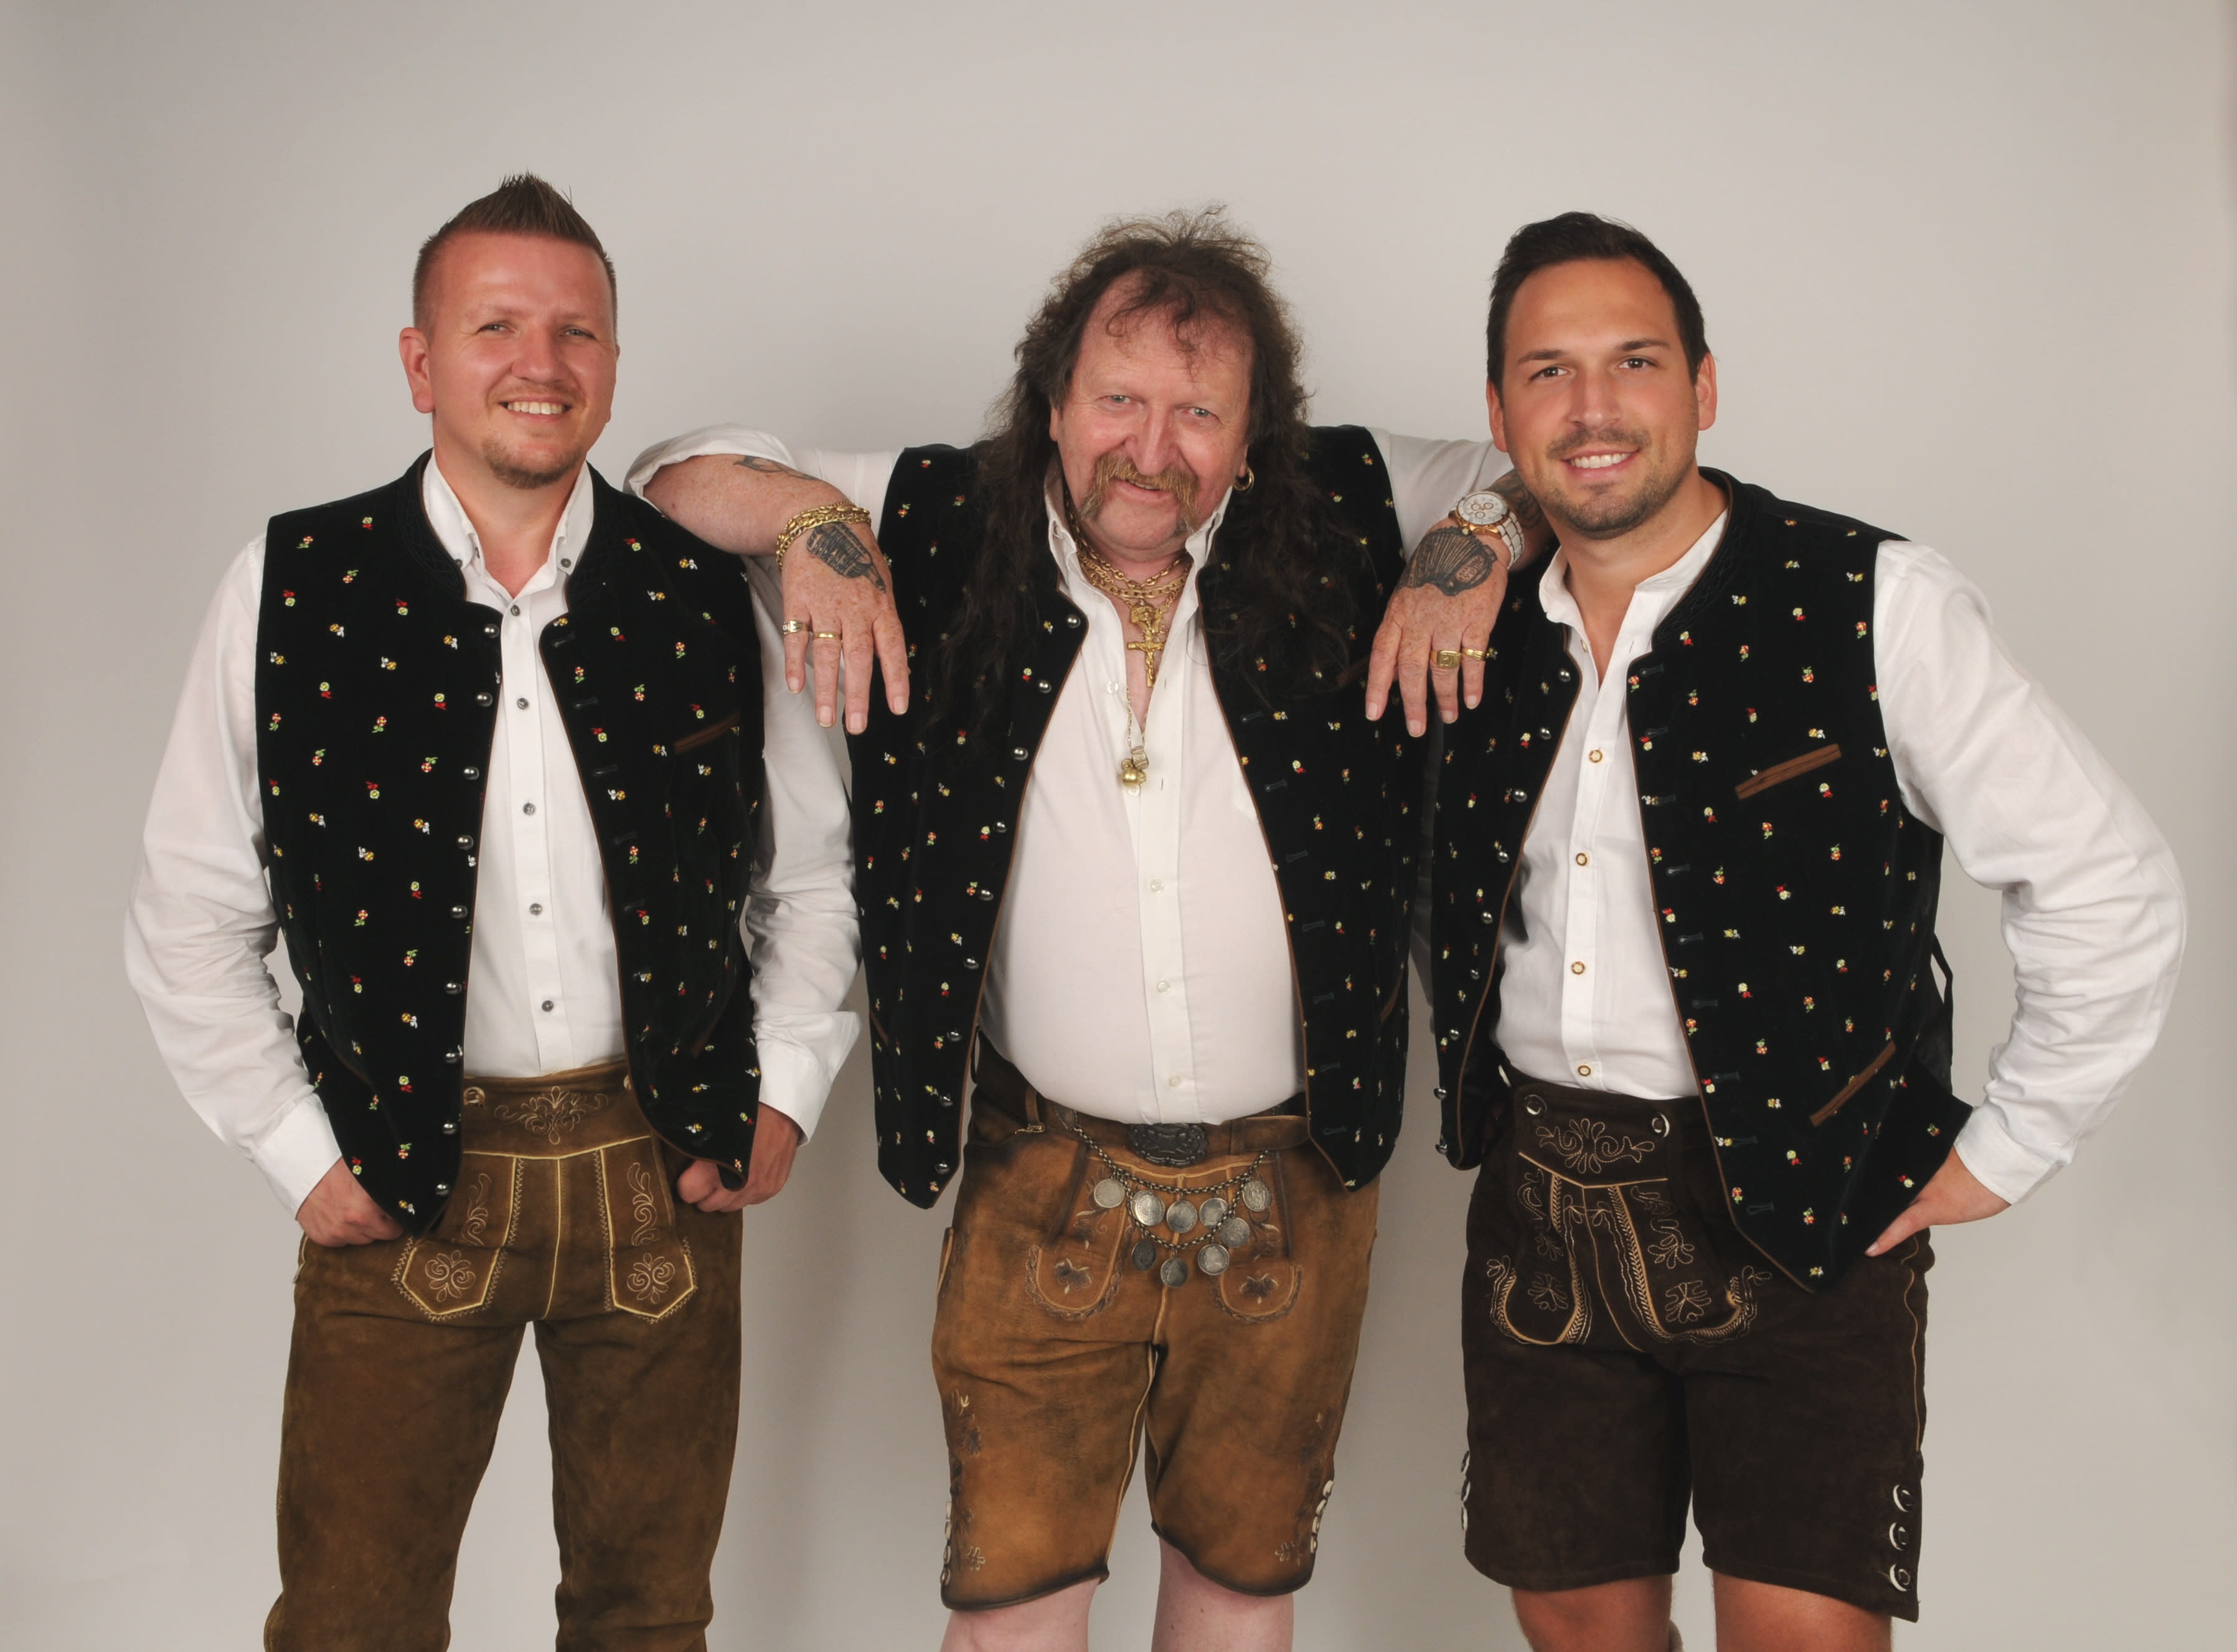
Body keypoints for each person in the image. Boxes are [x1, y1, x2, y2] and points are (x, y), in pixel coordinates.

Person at [632, 209, 1538, 1652]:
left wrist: (1480, 543)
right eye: (1118, 398)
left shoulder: (1355, 503)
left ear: (1254, 437)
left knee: (1239, 1598)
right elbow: (671, 477)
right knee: (1013, 1615)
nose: (1151, 448)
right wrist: (811, 526)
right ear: (1052, 401)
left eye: (1199, 413)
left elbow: (1551, 467)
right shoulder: (936, 515)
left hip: (1300, 1187)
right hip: (1037, 1180)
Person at [123, 174, 882, 1651]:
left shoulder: (706, 591)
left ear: (614, 363)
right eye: (496, 327)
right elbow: (189, 905)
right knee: (352, 1619)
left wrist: (785, 1087)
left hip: (660, 1163)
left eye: (576, 331)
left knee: (647, 1616)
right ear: (421, 362)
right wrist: (297, 1150)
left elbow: (808, 872)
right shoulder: (296, 582)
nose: (542, 361)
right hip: (401, 1171)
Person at [1422, 212, 2185, 1650]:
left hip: (1799, 1206)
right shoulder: (1468, 616)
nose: (1593, 408)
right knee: (1577, 1629)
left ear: (1705, 385)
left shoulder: (1873, 599)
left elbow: (2109, 880)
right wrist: (1463, 538)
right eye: (1548, 371)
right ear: (1500, 415)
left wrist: (2010, 1145)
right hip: (1538, 1203)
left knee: (1804, 1641)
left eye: (1636, 361)